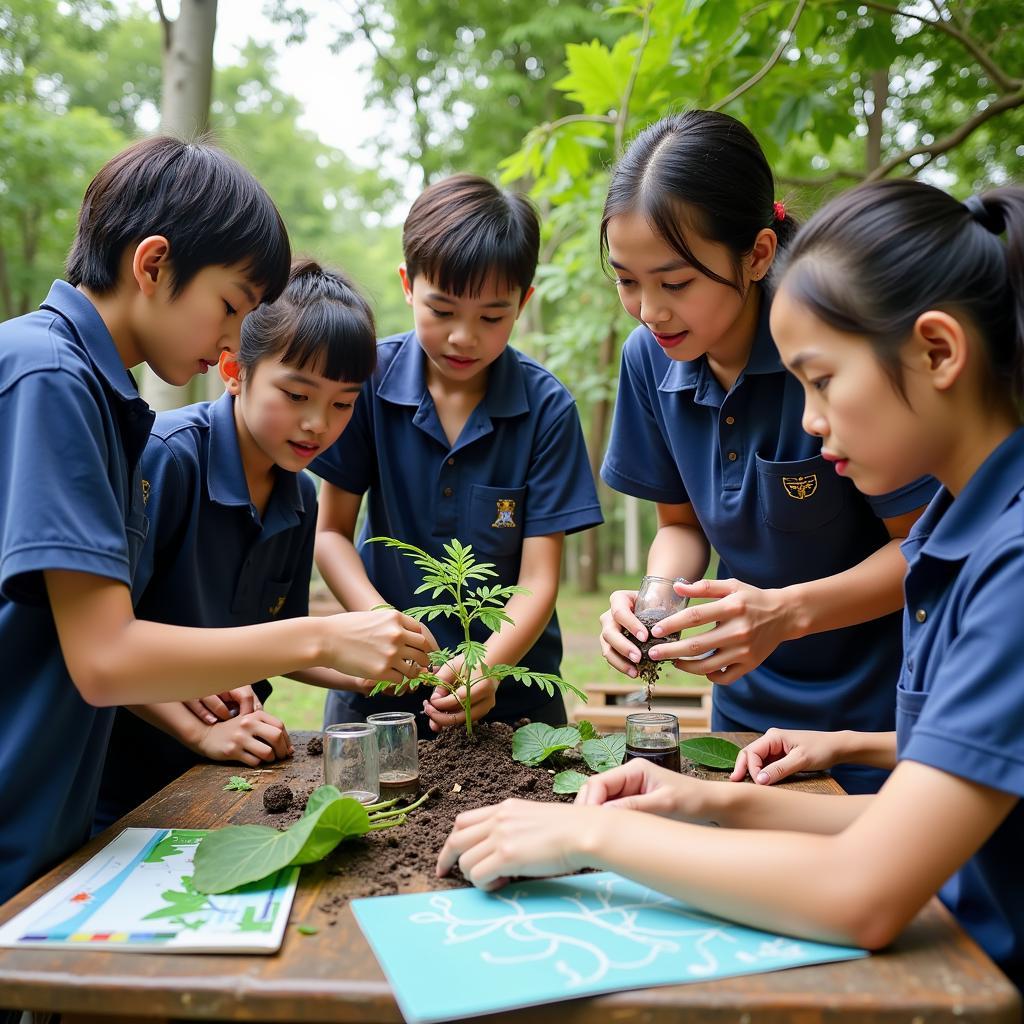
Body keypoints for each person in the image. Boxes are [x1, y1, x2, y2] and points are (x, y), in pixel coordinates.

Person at [437, 179, 1024, 992]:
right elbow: (908, 823)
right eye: (627, 281)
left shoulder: (1007, 564)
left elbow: (864, 892)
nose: (811, 423)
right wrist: (697, 802)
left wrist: (590, 841)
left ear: (938, 351)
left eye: (820, 380)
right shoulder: (963, 539)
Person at [0, 137, 431, 903]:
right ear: (154, 263)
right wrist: (328, 634)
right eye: (231, 306)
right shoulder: (49, 377)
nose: (233, 340)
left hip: (49, 824)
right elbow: (104, 656)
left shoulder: (100, 396)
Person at [596, 111, 936, 793]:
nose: (648, 311)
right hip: (744, 710)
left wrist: (784, 613)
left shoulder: (829, 355)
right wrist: (657, 606)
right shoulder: (649, 362)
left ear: (756, 254)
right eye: (626, 280)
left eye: (676, 282)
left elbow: (925, 546)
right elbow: (682, 524)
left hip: (877, 719)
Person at [93, 259, 383, 831]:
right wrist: (199, 729)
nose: (317, 425)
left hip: (226, 780)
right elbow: (102, 647)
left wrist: (363, 669)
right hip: (119, 788)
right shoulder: (167, 460)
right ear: (234, 369)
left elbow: (281, 642)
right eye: (297, 395)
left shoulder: (301, 497)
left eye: (343, 403)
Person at [313, 174, 603, 737]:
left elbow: (539, 579)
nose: (463, 337)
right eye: (442, 310)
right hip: (381, 694)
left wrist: (485, 666)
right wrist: (383, 626)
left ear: (524, 303)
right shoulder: (363, 384)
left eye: (491, 317)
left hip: (516, 702)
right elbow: (331, 534)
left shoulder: (547, 409)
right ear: (407, 285)